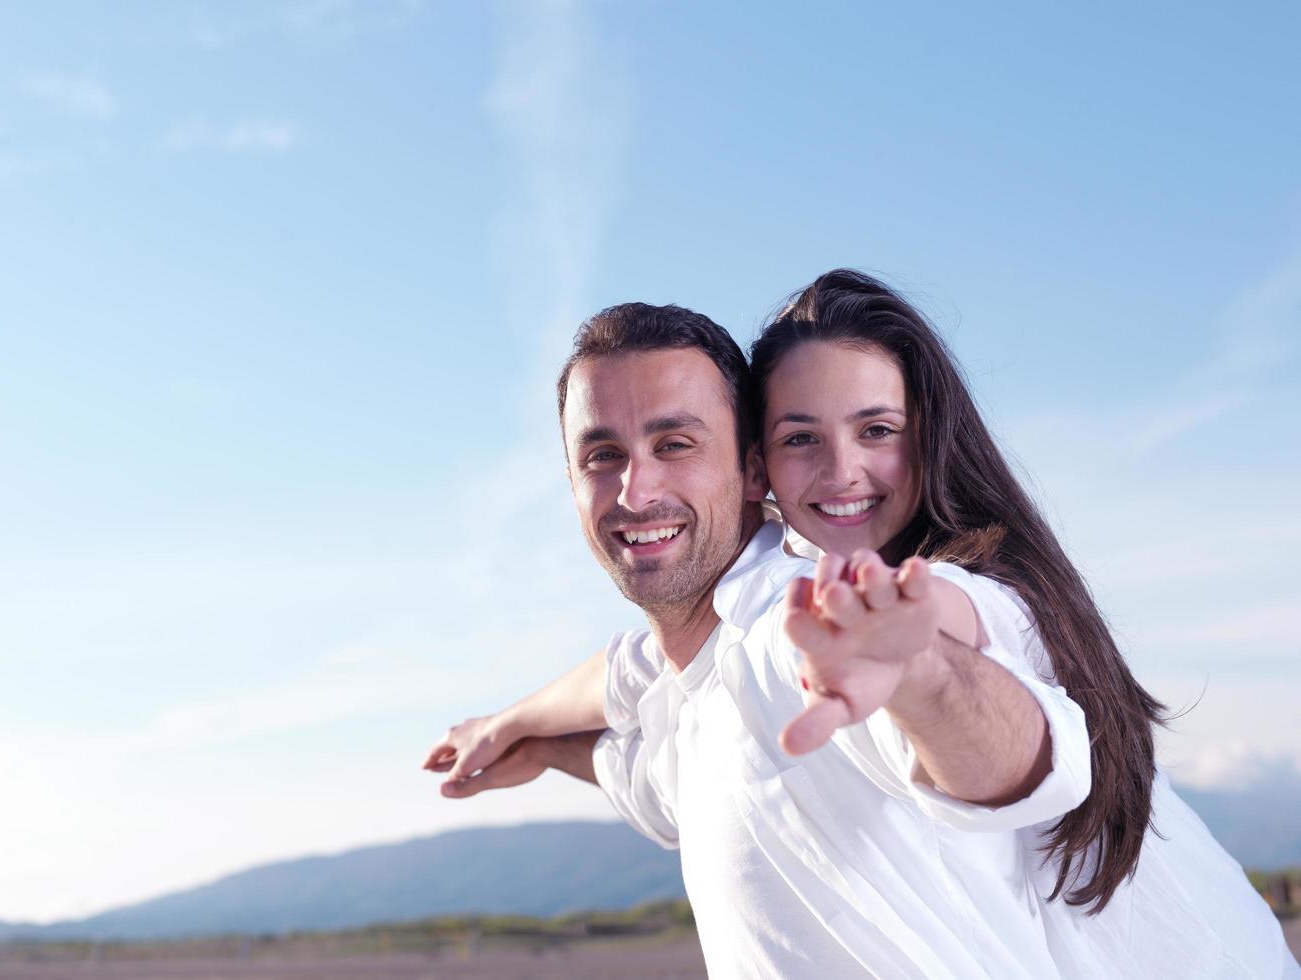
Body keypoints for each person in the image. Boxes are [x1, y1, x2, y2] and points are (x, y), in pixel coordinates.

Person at [426, 275, 1298, 977]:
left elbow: (1015, 753)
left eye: (676, 443)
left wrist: (919, 672)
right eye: (601, 454)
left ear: (747, 469)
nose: (635, 489)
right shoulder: (702, 687)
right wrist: (524, 733)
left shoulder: (832, 625)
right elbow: (644, 721)